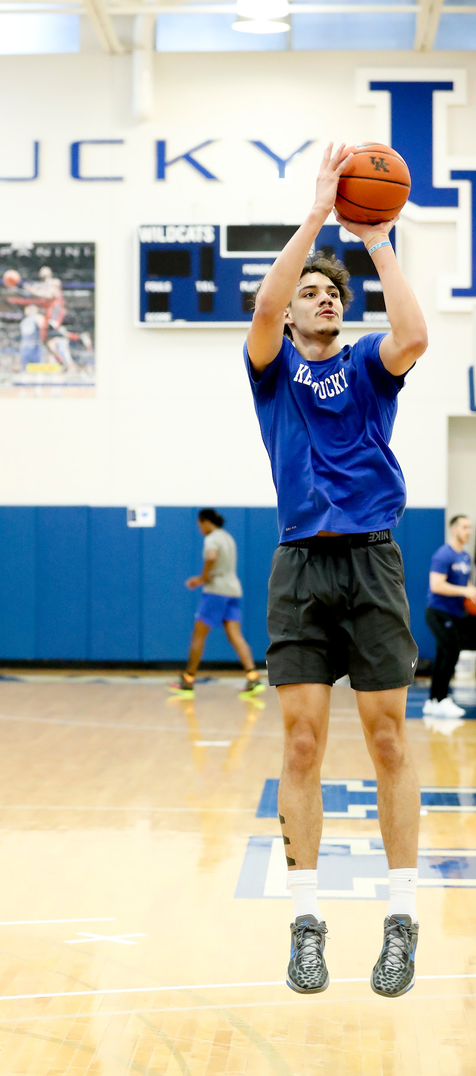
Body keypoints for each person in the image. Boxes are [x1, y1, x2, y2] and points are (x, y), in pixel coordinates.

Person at [245, 142, 428, 999]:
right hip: (297, 566)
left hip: (371, 559)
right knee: (303, 742)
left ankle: (399, 920)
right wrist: (318, 213)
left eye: (330, 293)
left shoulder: (363, 367)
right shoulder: (272, 370)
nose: (318, 298)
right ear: (291, 316)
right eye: (308, 294)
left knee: (388, 740)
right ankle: (306, 922)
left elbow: (414, 334)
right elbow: (264, 300)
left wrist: (377, 236)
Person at [174, 509, 264, 699]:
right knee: (235, 636)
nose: (199, 529)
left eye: (199, 525)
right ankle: (253, 677)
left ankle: (188, 680)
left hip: (216, 591)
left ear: (205, 522)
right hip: (233, 590)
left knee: (198, 635)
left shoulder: (212, 538)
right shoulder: (228, 537)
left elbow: (212, 556)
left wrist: (202, 578)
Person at [423, 515, 476, 718]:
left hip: (454, 613)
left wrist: (470, 590)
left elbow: (465, 585)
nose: (468, 531)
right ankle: (442, 699)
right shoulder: (443, 555)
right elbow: (437, 585)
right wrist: (464, 592)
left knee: (444, 654)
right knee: (452, 651)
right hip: (437, 611)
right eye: (464, 527)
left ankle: (432, 701)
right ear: (454, 530)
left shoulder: (466, 556)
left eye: (470, 527)